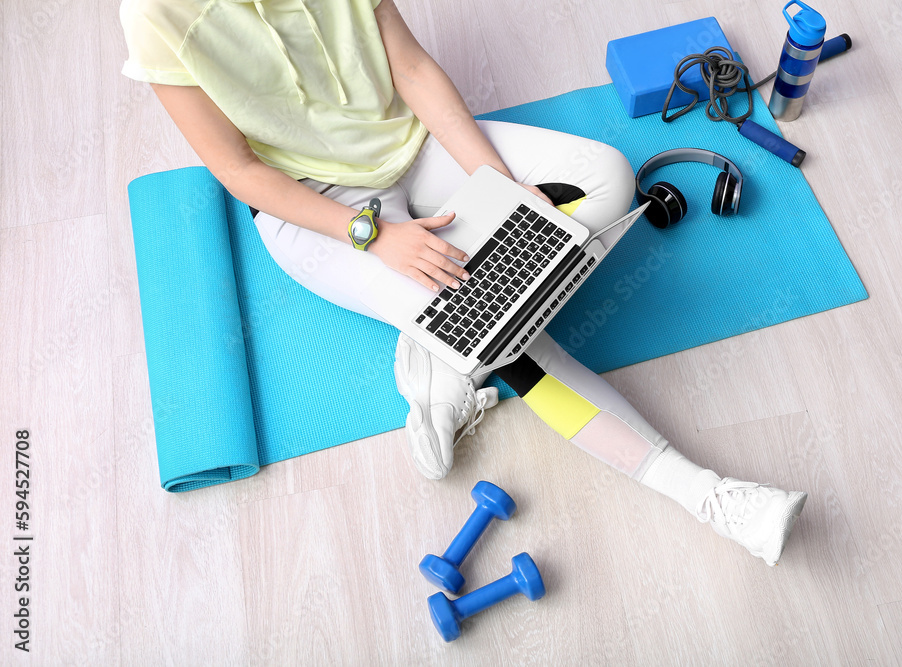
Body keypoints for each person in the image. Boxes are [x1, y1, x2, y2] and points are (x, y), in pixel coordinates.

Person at [120, 0, 807, 565]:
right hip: (320, 209)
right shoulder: (155, 13)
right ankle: (710, 498)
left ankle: (438, 353)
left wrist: (504, 188)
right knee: (507, 334)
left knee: (607, 178)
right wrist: (375, 236)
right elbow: (239, 172)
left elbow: (412, 69)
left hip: (412, 144)